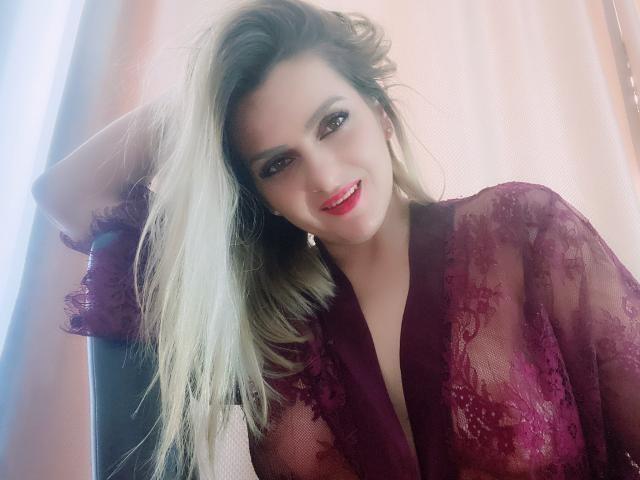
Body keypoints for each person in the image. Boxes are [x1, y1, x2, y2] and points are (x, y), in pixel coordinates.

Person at [32, 0, 640, 478]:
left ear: (380, 112)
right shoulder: (265, 332)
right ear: (258, 194)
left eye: (333, 122)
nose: (324, 176)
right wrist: (206, 103)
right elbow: (66, 196)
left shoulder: (521, 233)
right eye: (277, 163)